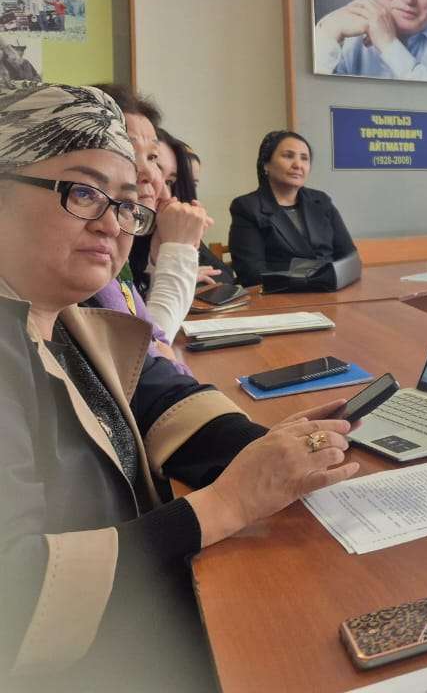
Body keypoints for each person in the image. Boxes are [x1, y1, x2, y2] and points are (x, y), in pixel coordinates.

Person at [0, 82, 359, 691]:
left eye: (126, 205)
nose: (113, 224)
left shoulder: (62, 315)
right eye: (84, 192)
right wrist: (228, 504)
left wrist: (275, 446)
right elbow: (16, 604)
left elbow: (161, 395)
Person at [96, 84, 212, 340]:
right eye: (127, 152)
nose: (150, 174)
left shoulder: (126, 235)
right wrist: (178, 250)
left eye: (152, 158)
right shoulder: (93, 239)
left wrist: (159, 261)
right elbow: (145, 345)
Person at [229, 130, 358, 287]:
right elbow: (251, 273)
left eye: (304, 158)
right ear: (266, 164)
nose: (298, 165)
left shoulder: (321, 201)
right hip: (281, 296)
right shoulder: (247, 207)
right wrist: (319, 274)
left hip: (331, 290)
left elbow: (349, 257)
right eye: (288, 156)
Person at [155, 129, 234, 287]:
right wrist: (181, 273)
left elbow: (225, 275)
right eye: (184, 184)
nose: (166, 194)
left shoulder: (179, 220)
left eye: (169, 181)